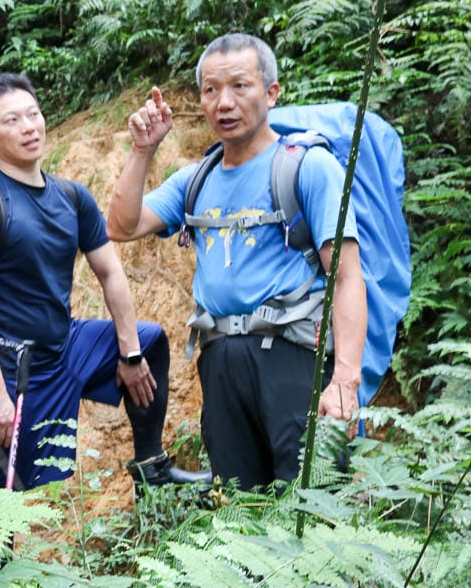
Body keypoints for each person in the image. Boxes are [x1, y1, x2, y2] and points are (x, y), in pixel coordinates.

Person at [106, 33, 367, 490]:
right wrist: (142, 151)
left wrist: (345, 378)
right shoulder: (196, 178)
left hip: (293, 357)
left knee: (313, 501)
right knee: (241, 515)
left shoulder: (307, 167)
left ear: (271, 93)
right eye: (210, 90)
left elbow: (346, 277)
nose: (223, 102)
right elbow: (121, 226)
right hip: (220, 362)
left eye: (240, 86)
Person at [0, 72, 210, 492]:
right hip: (16, 370)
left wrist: (129, 353)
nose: (29, 127)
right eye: (12, 120)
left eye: (33, 114)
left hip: (66, 345)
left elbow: (110, 272)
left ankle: (152, 469)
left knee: (149, 341)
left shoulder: (71, 197)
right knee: (4, 497)